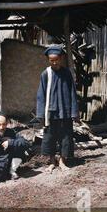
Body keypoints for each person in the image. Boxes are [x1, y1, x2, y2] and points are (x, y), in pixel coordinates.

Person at [36, 44, 79, 173]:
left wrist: (74, 111)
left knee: (65, 137)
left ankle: (62, 161)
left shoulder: (67, 73)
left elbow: (72, 92)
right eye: (51, 60)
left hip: (65, 111)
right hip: (51, 112)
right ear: (48, 60)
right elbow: (41, 95)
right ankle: (52, 162)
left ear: (60, 59)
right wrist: (41, 114)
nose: (54, 62)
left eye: (56, 60)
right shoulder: (46, 74)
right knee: (50, 137)